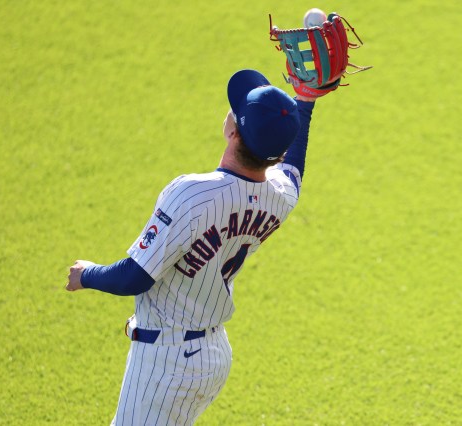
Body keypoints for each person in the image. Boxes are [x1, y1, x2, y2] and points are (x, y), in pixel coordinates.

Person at [66, 69, 316, 425]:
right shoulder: (278, 197)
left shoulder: (191, 194)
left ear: (232, 132)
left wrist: (86, 275)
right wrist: (306, 100)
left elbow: (136, 277)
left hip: (167, 363)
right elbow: (293, 167)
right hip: (211, 356)